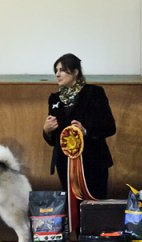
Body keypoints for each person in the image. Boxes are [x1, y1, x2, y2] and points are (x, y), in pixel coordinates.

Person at [42, 53, 116, 197]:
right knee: (71, 208)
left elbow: (110, 127)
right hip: (64, 165)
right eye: (56, 71)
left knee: (95, 207)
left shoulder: (95, 93)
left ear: (75, 72)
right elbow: (52, 140)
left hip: (93, 162)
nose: (57, 74)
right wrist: (46, 131)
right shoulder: (54, 99)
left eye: (62, 70)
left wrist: (86, 130)